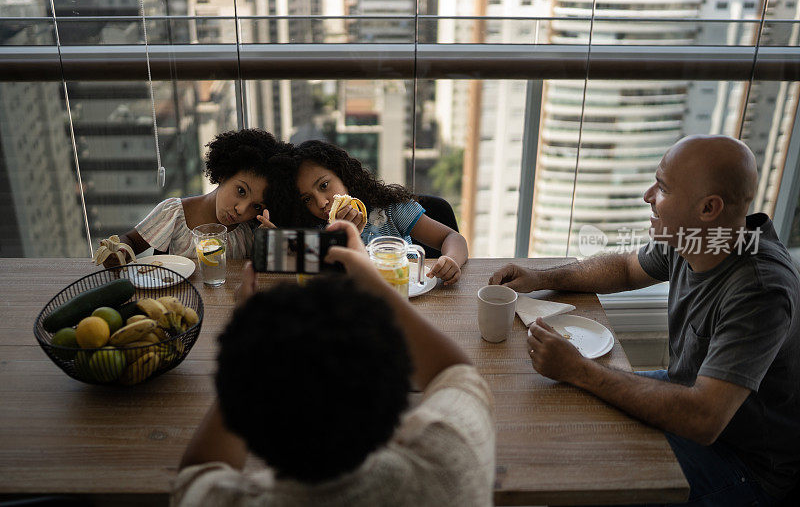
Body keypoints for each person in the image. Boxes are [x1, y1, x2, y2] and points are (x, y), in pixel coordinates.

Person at [490, 135, 799, 505]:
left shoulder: (759, 290)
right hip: (689, 393)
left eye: (663, 187)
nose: (648, 195)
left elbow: (704, 419)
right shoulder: (697, 238)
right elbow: (623, 268)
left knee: (590, 473)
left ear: (708, 208)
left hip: (745, 463)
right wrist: (541, 277)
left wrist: (579, 370)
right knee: (572, 415)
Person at [172, 220, 495, 506]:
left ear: (244, 421)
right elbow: (456, 374)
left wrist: (246, 333)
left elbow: (196, 472)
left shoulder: (216, 499)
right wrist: (369, 276)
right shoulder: (451, 464)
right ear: (397, 394)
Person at [263, 140, 468, 285]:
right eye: (307, 199)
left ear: (343, 175)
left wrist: (451, 260)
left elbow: (453, 237)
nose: (322, 202)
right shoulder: (314, 230)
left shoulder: (390, 208)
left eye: (324, 185)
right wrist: (279, 245)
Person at [98, 129, 284, 266]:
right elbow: (131, 240)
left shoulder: (249, 232)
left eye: (257, 207)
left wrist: (270, 245)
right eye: (241, 191)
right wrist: (118, 252)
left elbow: (261, 278)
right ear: (224, 174)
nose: (242, 210)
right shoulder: (174, 213)